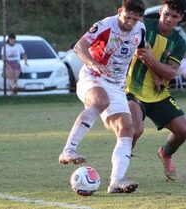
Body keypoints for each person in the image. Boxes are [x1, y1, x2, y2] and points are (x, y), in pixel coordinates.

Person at [58, 0, 146, 194]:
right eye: (127, 17)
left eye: (134, 18)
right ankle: (68, 150)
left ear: (140, 18)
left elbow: (141, 51)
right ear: (119, 11)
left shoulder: (140, 29)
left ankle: (116, 182)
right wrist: (93, 64)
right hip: (93, 77)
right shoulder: (105, 25)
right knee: (100, 101)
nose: (129, 22)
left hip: (116, 86)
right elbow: (79, 47)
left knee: (127, 128)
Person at [125, 0, 186, 181]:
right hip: (133, 90)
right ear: (161, 10)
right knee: (135, 130)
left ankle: (166, 153)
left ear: (180, 18)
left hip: (159, 93)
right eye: (166, 14)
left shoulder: (179, 42)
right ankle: (118, 172)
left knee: (183, 130)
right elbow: (140, 52)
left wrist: (153, 65)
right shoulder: (144, 26)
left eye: (174, 16)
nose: (168, 19)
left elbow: (170, 73)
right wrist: (156, 71)